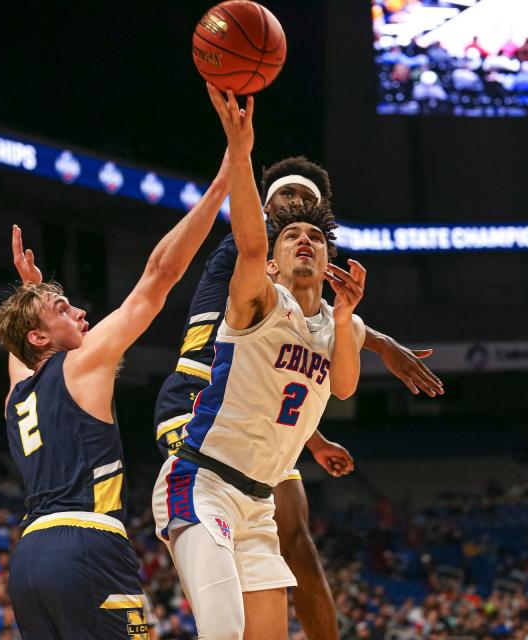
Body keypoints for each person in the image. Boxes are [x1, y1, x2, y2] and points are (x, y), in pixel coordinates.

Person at [153, 156, 442, 639]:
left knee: (298, 538)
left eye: (309, 209)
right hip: (198, 399)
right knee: (226, 615)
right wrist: (239, 152)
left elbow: (325, 370)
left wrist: (376, 345)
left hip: (259, 453)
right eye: (285, 207)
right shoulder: (250, 260)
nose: (296, 216)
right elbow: (252, 246)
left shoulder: (329, 317)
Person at [0, 148, 230, 638]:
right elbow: (157, 279)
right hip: (86, 544)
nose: (80, 314)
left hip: (30, 559)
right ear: (40, 337)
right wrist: (225, 180)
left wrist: (30, 294)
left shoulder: (17, 392)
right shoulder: (81, 363)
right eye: (63, 309)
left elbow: (19, 345)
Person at [152, 84, 367, 639]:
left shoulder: (338, 323)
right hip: (201, 479)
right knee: (222, 632)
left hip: (257, 502)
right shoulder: (259, 298)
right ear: (270, 263)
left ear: (329, 256)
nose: (303, 238)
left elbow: (343, 387)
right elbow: (249, 243)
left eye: (315, 235)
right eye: (290, 232)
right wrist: (240, 151)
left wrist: (347, 321)